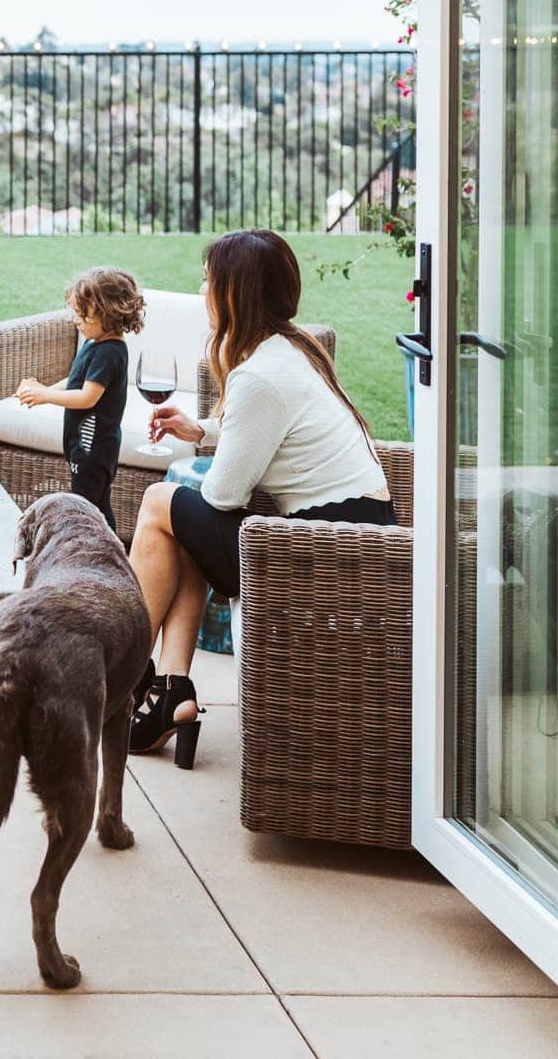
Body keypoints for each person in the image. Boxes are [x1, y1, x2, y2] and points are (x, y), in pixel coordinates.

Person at [127, 230, 395, 764]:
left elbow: (225, 495)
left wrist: (204, 461)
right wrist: (200, 428)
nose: (202, 288)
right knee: (182, 522)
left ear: (233, 293)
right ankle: (171, 691)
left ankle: (125, 671)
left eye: (208, 280)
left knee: (162, 502)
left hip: (318, 563)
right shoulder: (293, 348)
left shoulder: (258, 375)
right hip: (353, 543)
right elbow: (270, 428)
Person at [13, 267, 144, 536]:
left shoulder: (109, 352)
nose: (75, 319)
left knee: (86, 505)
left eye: (82, 313)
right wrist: (43, 389)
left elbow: (87, 397)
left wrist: (45, 396)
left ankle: (93, 547)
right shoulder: (94, 343)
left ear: (108, 314)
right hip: (84, 447)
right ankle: (104, 547)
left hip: (94, 449)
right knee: (95, 503)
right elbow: (76, 381)